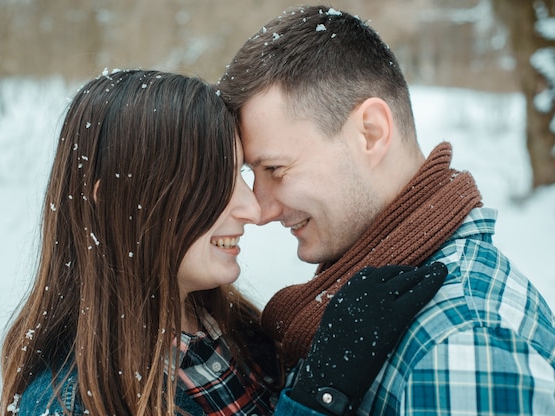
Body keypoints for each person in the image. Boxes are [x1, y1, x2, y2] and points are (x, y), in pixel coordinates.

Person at [0, 69, 446, 416]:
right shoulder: (75, 402)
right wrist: (318, 394)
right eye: (214, 180)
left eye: (241, 175)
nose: (252, 209)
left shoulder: (236, 336)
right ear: (114, 197)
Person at [218, 5, 555, 415]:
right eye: (255, 173)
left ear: (371, 133)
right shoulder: (378, 303)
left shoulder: (460, 344)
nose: (261, 209)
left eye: (276, 169)